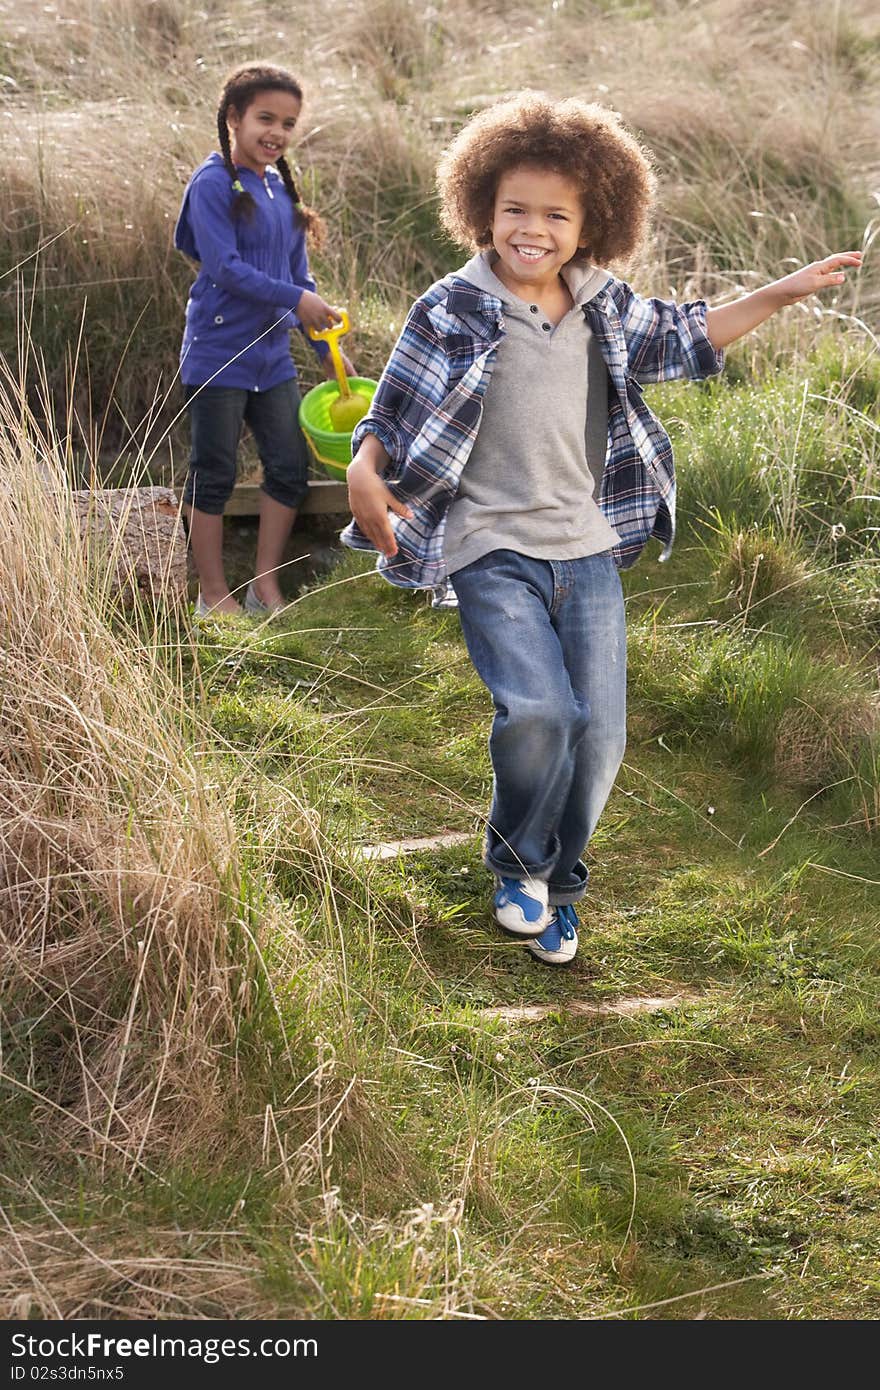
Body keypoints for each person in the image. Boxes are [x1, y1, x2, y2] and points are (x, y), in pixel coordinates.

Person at [342, 92, 862, 966]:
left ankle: (559, 883)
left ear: (592, 224)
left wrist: (780, 292)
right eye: (514, 209)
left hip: (585, 549)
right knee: (541, 710)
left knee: (602, 733)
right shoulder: (452, 307)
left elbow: (690, 337)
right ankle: (515, 864)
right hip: (487, 545)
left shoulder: (604, 306)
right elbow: (388, 411)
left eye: (555, 214)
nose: (531, 229)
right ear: (482, 209)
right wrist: (362, 469)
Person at [174, 62, 349, 616]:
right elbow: (222, 266)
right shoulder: (210, 183)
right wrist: (296, 300)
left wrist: (325, 349)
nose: (276, 132)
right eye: (265, 118)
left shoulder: (280, 188)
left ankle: (264, 585)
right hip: (219, 352)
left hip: (272, 356)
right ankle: (212, 594)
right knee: (215, 471)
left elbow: (302, 281)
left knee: (288, 467)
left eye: (288, 123)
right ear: (234, 118)